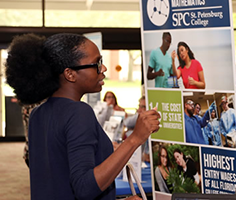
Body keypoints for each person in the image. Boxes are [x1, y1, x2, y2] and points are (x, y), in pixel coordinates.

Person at [5, 33, 160, 200]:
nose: (104, 69)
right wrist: (135, 138)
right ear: (70, 74)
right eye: (97, 63)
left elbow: (57, 181)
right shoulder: (78, 112)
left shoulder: (38, 113)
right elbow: (85, 188)